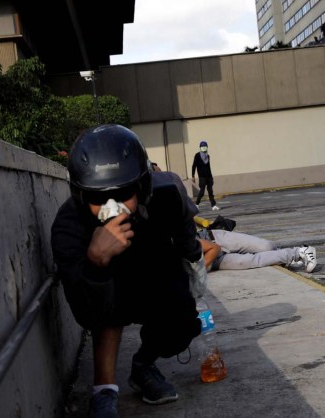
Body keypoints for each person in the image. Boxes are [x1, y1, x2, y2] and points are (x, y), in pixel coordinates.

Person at [51, 124, 206, 418]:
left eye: (123, 193)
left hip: (151, 270)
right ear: (81, 196)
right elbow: (86, 316)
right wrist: (96, 264)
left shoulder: (167, 193)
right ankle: (104, 391)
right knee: (106, 306)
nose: (113, 207)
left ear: (142, 186)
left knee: (184, 320)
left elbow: (185, 225)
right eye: (99, 198)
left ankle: (144, 365)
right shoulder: (69, 229)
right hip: (110, 291)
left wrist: (193, 258)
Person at [197, 228, 318, 273]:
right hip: (211, 262)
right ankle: (299, 252)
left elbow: (214, 248)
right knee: (249, 261)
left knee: (266, 246)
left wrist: (197, 272)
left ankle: (303, 250)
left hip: (213, 239)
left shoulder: (179, 244)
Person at [191, 140, 219, 210]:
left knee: (210, 191)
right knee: (202, 191)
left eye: (205, 146)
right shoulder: (197, 155)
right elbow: (194, 166)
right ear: (200, 147)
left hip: (208, 176)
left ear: (207, 147)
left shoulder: (208, 156)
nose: (204, 148)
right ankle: (196, 204)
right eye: (202, 146)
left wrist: (211, 177)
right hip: (202, 177)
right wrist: (193, 176)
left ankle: (213, 205)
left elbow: (209, 167)